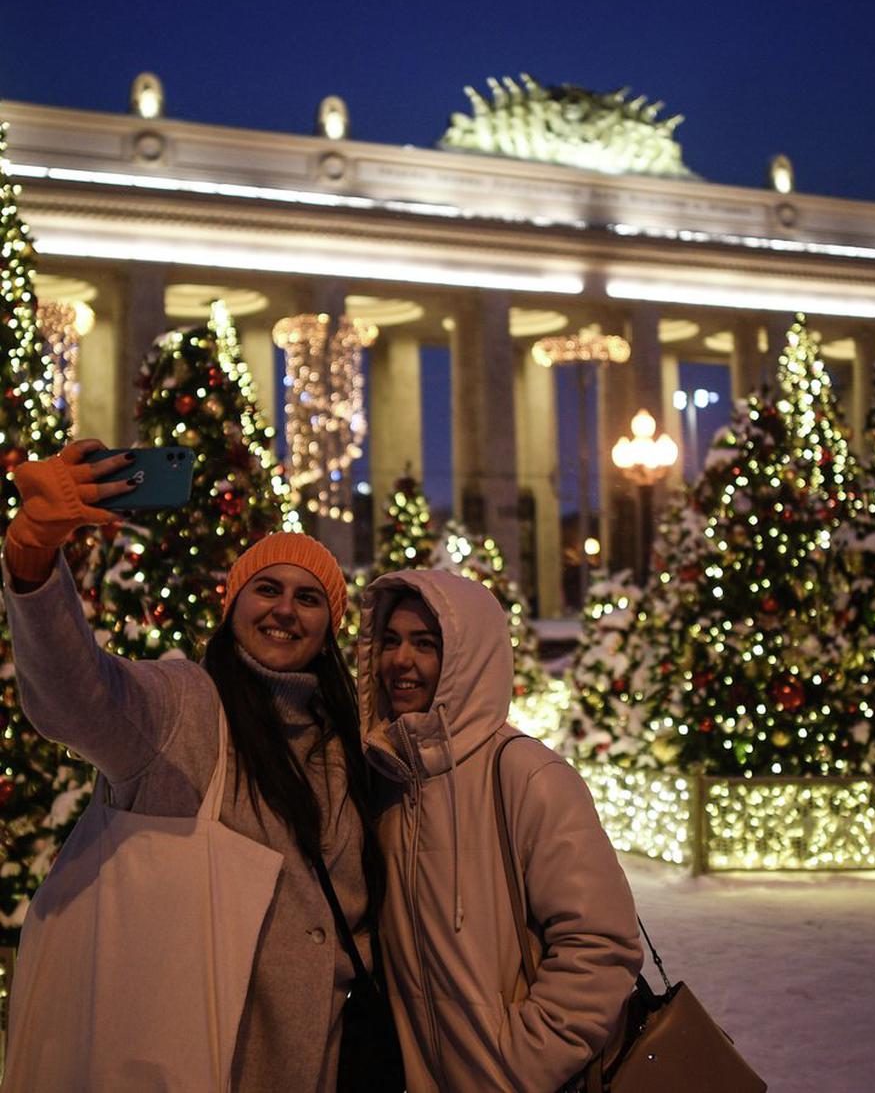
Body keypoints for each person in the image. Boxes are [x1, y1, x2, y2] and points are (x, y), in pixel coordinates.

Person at [1, 439, 385, 1092]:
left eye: (308, 597)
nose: (285, 609)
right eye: (266, 589)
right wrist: (34, 558)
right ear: (232, 606)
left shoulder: (347, 744)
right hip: (195, 1060)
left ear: (330, 627)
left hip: (319, 1061)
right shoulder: (186, 707)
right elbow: (77, 697)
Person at [357, 569, 643, 1093]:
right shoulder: (385, 780)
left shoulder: (527, 775)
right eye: (391, 641)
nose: (401, 660)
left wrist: (519, 1066)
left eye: (426, 643)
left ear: (468, 658)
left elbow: (601, 945)